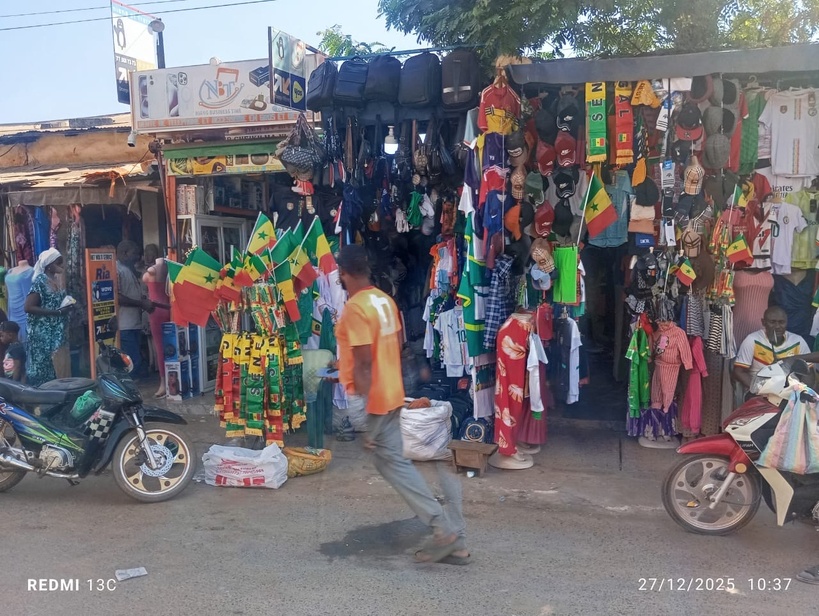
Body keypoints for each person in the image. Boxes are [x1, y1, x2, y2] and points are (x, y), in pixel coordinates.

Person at [335, 244, 468, 564]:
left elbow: (365, 363)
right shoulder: (384, 300)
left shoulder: (356, 308)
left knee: (394, 465)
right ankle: (452, 538)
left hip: (378, 399)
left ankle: (444, 531)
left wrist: (370, 417)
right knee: (390, 462)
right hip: (393, 391)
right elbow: (396, 347)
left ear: (342, 274)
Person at [732, 306, 811, 391]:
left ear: (787, 322)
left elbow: (809, 372)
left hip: (790, 393)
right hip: (761, 393)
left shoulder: (797, 341)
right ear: (763, 322)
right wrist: (758, 390)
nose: (777, 326)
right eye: (772, 322)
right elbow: (739, 372)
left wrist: (804, 392)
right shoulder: (752, 340)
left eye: (781, 322)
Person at [24, 248, 71, 386]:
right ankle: (40, 396)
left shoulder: (55, 280)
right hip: (42, 334)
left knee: (55, 365)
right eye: (58, 262)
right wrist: (56, 312)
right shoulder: (40, 281)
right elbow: (28, 307)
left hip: (54, 331)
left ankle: (55, 392)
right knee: (43, 366)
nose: (62, 265)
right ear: (49, 265)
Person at [116, 240, 154, 379]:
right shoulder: (117, 270)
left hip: (133, 323)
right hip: (125, 325)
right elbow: (117, 297)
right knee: (132, 362)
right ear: (125, 253)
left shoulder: (127, 269)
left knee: (135, 360)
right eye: (135, 253)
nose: (138, 257)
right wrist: (141, 303)